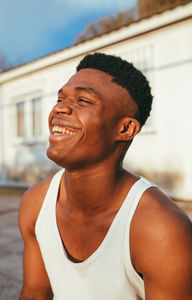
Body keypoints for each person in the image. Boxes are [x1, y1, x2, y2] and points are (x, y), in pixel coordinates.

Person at [19, 53, 192, 300]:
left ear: (125, 128)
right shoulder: (35, 203)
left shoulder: (161, 229)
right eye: (60, 98)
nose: (59, 107)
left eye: (83, 100)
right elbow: (34, 294)